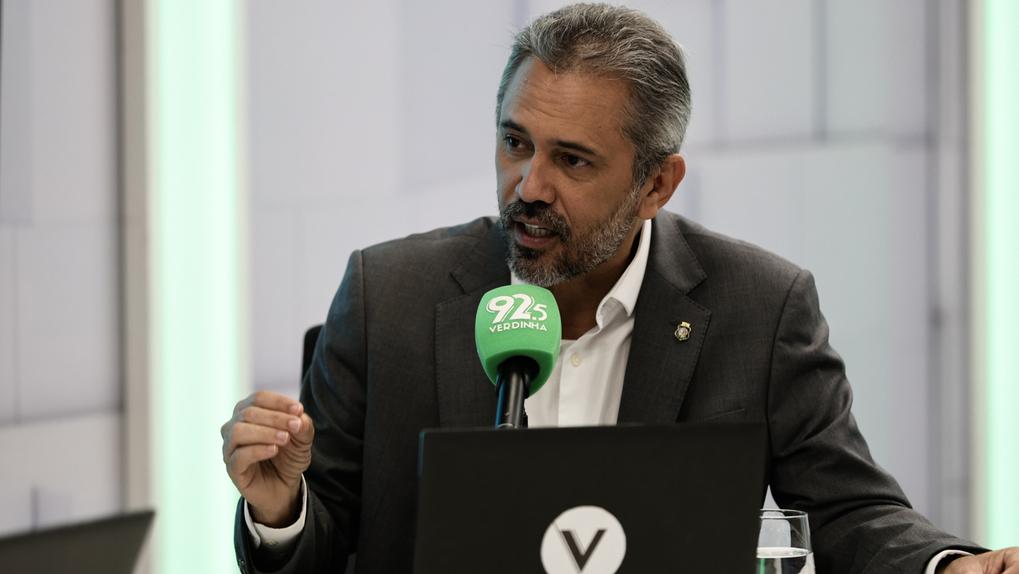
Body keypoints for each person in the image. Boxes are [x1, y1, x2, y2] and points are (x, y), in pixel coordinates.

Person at [221, 4, 1018, 573]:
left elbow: (850, 511)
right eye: (513, 143)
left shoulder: (757, 308)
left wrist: (947, 567)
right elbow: (320, 541)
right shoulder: (387, 294)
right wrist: (278, 510)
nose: (526, 186)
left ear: (656, 183)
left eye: (572, 161)